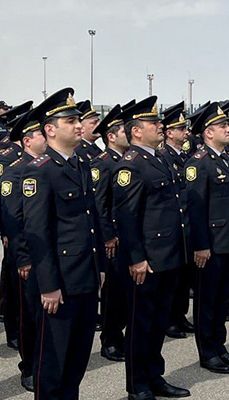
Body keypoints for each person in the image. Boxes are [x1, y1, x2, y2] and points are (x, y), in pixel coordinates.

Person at [22, 87, 107, 399]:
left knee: (76, 360)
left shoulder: (79, 163)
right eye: (70, 121)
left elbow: (91, 220)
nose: (78, 125)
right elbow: (37, 233)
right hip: (59, 283)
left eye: (78, 120)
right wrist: (48, 286)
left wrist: (99, 267)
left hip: (85, 277)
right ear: (50, 129)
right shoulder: (39, 171)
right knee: (53, 364)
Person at [112, 96, 190, 399]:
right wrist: (136, 259)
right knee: (140, 324)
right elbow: (126, 218)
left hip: (168, 256)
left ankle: (155, 376)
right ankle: (138, 385)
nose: (160, 126)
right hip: (146, 261)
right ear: (136, 130)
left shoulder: (159, 159)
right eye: (153, 122)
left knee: (158, 322)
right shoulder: (130, 165)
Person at [185, 102, 229, 373]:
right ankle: (208, 352)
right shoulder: (198, 163)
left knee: (222, 300)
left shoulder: (227, 159)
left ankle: (219, 346)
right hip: (210, 245)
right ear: (208, 132)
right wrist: (201, 245)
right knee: (207, 302)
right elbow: (195, 209)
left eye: (228, 125)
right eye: (223, 126)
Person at [1, 108, 48, 393]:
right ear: (28, 140)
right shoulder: (15, 171)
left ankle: (44, 363)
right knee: (28, 314)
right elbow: (13, 220)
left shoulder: (46, 167)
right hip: (27, 257)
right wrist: (22, 258)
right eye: (41, 133)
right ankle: (29, 367)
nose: (46, 137)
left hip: (47, 255)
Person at [90, 104, 129, 362]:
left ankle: (119, 335)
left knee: (124, 291)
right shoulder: (103, 163)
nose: (129, 134)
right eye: (124, 131)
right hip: (113, 240)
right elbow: (99, 204)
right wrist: (107, 237)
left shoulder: (125, 161)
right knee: (113, 293)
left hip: (126, 237)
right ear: (111, 137)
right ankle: (110, 340)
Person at [159, 102, 196, 340]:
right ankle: (170, 320)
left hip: (186, 225)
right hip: (174, 227)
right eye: (181, 129)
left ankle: (180, 315)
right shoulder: (164, 157)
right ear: (169, 133)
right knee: (173, 280)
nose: (186, 133)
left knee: (184, 277)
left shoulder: (184, 156)